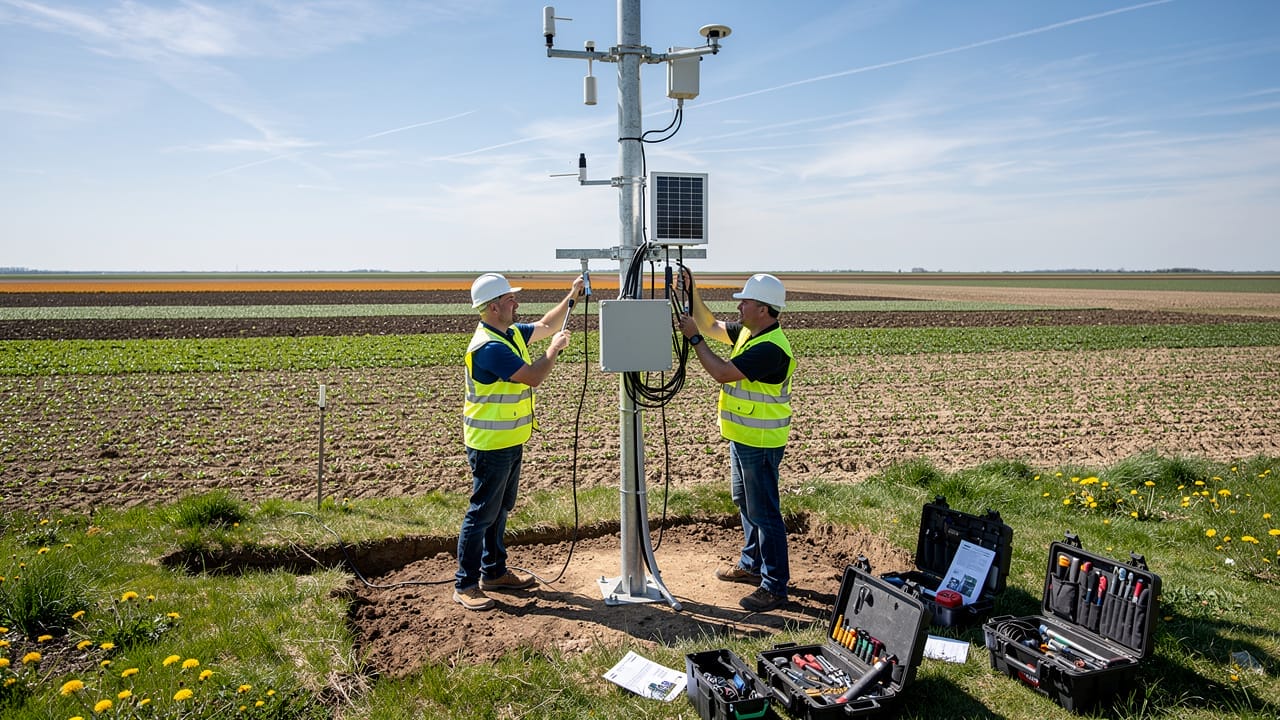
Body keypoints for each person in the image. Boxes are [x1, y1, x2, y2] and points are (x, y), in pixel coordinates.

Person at [454, 272, 584, 611]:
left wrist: (571, 297)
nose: (517, 303)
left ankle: (494, 572)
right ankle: (465, 584)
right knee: (482, 512)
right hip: (490, 444)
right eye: (511, 299)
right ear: (495, 307)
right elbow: (534, 376)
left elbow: (545, 325)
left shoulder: (507, 333)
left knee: (499, 510)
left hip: (509, 440)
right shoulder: (490, 347)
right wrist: (554, 351)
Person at [677, 270, 796, 612]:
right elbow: (711, 323)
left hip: (759, 441)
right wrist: (692, 290)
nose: (740, 306)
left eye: (746, 301)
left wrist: (695, 340)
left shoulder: (770, 348)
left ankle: (774, 587)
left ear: (764, 309)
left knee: (765, 512)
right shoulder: (749, 333)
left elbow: (722, 372)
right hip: (743, 437)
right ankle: (750, 564)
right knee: (745, 502)